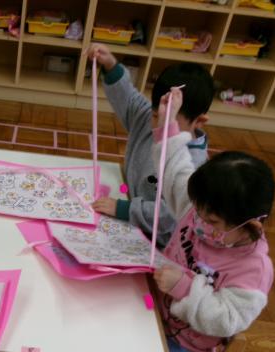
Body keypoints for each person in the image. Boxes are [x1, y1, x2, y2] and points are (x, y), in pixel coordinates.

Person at [145, 87, 275, 352]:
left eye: (212, 221)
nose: (199, 223)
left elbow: (227, 320)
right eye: (198, 213)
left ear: (252, 226)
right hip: (150, 312)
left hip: (188, 345)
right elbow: (174, 169)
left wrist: (185, 288)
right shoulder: (202, 209)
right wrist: (168, 122)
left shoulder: (254, 270)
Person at [87, 43, 214, 247]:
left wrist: (124, 209)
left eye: (170, 120)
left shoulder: (196, 166)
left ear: (199, 121)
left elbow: (170, 215)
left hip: (158, 240)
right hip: (127, 211)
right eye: (156, 115)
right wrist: (110, 65)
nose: (158, 124)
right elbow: (128, 99)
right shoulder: (149, 118)